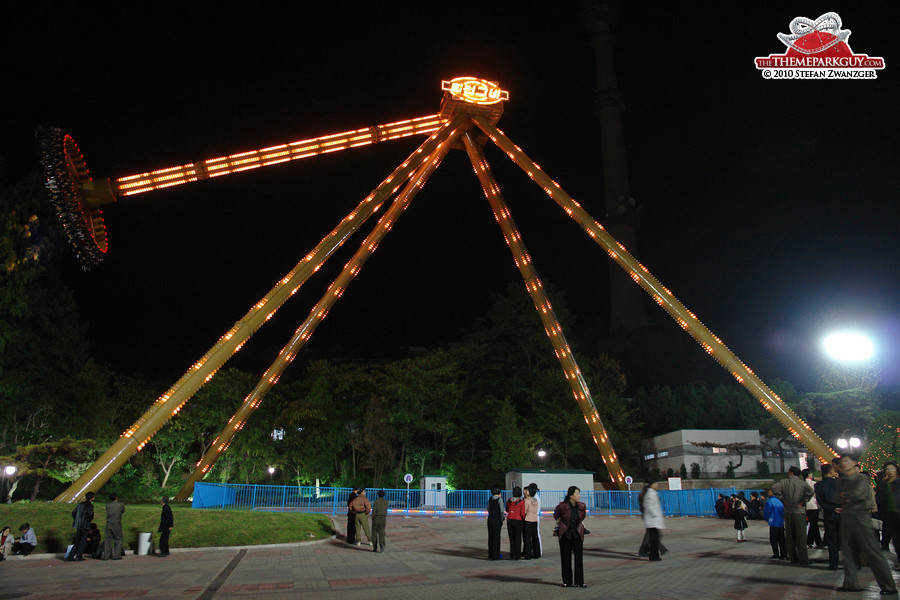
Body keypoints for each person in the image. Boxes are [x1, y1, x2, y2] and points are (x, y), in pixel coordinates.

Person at [836, 453, 897, 594]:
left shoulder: (861, 478)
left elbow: (859, 495)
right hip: (846, 518)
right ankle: (850, 584)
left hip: (861, 518)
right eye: (842, 461)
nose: (844, 463)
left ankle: (888, 586)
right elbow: (837, 497)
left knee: (872, 552)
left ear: (854, 463)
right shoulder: (841, 481)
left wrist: (845, 496)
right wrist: (846, 497)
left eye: (847, 461)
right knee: (848, 553)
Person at [772, 466, 812, 565]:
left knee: (790, 537)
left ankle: (793, 559)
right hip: (799, 511)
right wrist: (803, 501)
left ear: (791, 472)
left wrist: (782, 499)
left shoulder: (783, 482)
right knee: (801, 537)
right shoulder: (802, 483)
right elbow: (811, 491)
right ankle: (803, 559)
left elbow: (774, 488)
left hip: (788, 511)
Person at [553, 485, 587, 588]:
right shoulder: (562, 506)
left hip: (577, 535)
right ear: (571, 495)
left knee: (578, 559)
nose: (579, 496)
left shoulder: (582, 506)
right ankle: (567, 581)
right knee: (565, 559)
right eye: (577, 494)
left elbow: (582, 518)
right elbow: (556, 515)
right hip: (565, 535)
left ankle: (579, 582)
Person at [815, 462, 841, 570]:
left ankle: (833, 564)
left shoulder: (818, 485)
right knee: (846, 538)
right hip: (842, 513)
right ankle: (854, 564)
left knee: (831, 539)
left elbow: (820, 501)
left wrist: (831, 508)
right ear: (831, 472)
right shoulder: (839, 483)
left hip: (829, 514)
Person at [876, 461, 900, 562]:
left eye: (892, 469)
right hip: (890, 514)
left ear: (896, 470)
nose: (890, 471)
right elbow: (881, 498)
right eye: (888, 469)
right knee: (896, 540)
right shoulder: (884, 484)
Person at [66, 491, 95, 561]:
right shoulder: (89, 505)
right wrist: (89, 520)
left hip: (79, 524)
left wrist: (77, 520)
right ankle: (79, 555)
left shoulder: (81, 504)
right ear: (92, 498)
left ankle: (71, 555)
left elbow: (74, 513)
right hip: (85, 525)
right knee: (82, 541)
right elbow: (90, 514)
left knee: (77, 540)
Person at [640, 481, 665, 561]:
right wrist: (654, 514)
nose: (657, 485)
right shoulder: (651, 494)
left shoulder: (651, 493)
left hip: (652, 520)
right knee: (654, 538)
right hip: (652, 520)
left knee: (654, 537)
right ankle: (653, 555)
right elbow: (649, 506)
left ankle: (653, 554)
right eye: (656, 483)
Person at [764, 489, 787, 560]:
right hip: (780, 523)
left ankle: (776, 554)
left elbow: (766, 513)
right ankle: (784, 555)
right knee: (781, 539)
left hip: (773, 522)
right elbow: (783, 514)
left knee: (773, 539)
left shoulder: (769, 501)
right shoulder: (780, 502)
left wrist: (767, 519)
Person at [802, 468, 823, 549]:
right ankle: (809, 541)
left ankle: (818, 541)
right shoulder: (811, 483)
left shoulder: (803, 483)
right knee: (813, 524)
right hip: (813, 505)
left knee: (813, 524)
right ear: (809, 474)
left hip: (807, 506)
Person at [103, 492, 125, 560]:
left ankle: (106, 555)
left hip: (109, 523)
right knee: (118, 539)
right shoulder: (120, 504)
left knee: (107, 540)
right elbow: (123, 511)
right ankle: (116, 555)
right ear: (116, 497)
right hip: (117, 523)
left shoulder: (108, 505)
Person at [505, 486, 525, 560]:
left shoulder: (509, 501)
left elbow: (507, 510)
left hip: (510, 520)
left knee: (511, 538)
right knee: (518, 538)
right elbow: (522, 513)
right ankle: (517, 555)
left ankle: (512, 554)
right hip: (518, 520)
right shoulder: (521, 502)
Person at [487, 487, 504, 560]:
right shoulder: (499, 500)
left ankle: (490, 554)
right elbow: (502, 510)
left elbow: (488, 508)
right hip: (497, 520)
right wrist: (502, 518)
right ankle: (496, 555)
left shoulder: (490, 499)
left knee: (491, 537)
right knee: (496, 537)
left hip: (490, 519)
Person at [522, 485, 539, 559]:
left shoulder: (527, 500)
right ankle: (536, 553)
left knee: (527, 538)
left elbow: (524, 511)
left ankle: (528, 554)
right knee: (535, 537)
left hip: (528, 520)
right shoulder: (536, 500)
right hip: (535, 520)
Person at [527, 483, 543, 559]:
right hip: (535, 516)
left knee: (536, 534)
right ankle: (537, 550)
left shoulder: (534, 498)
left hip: (533, 517)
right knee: (536, 534)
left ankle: (538, 550)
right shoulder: (536, 497)